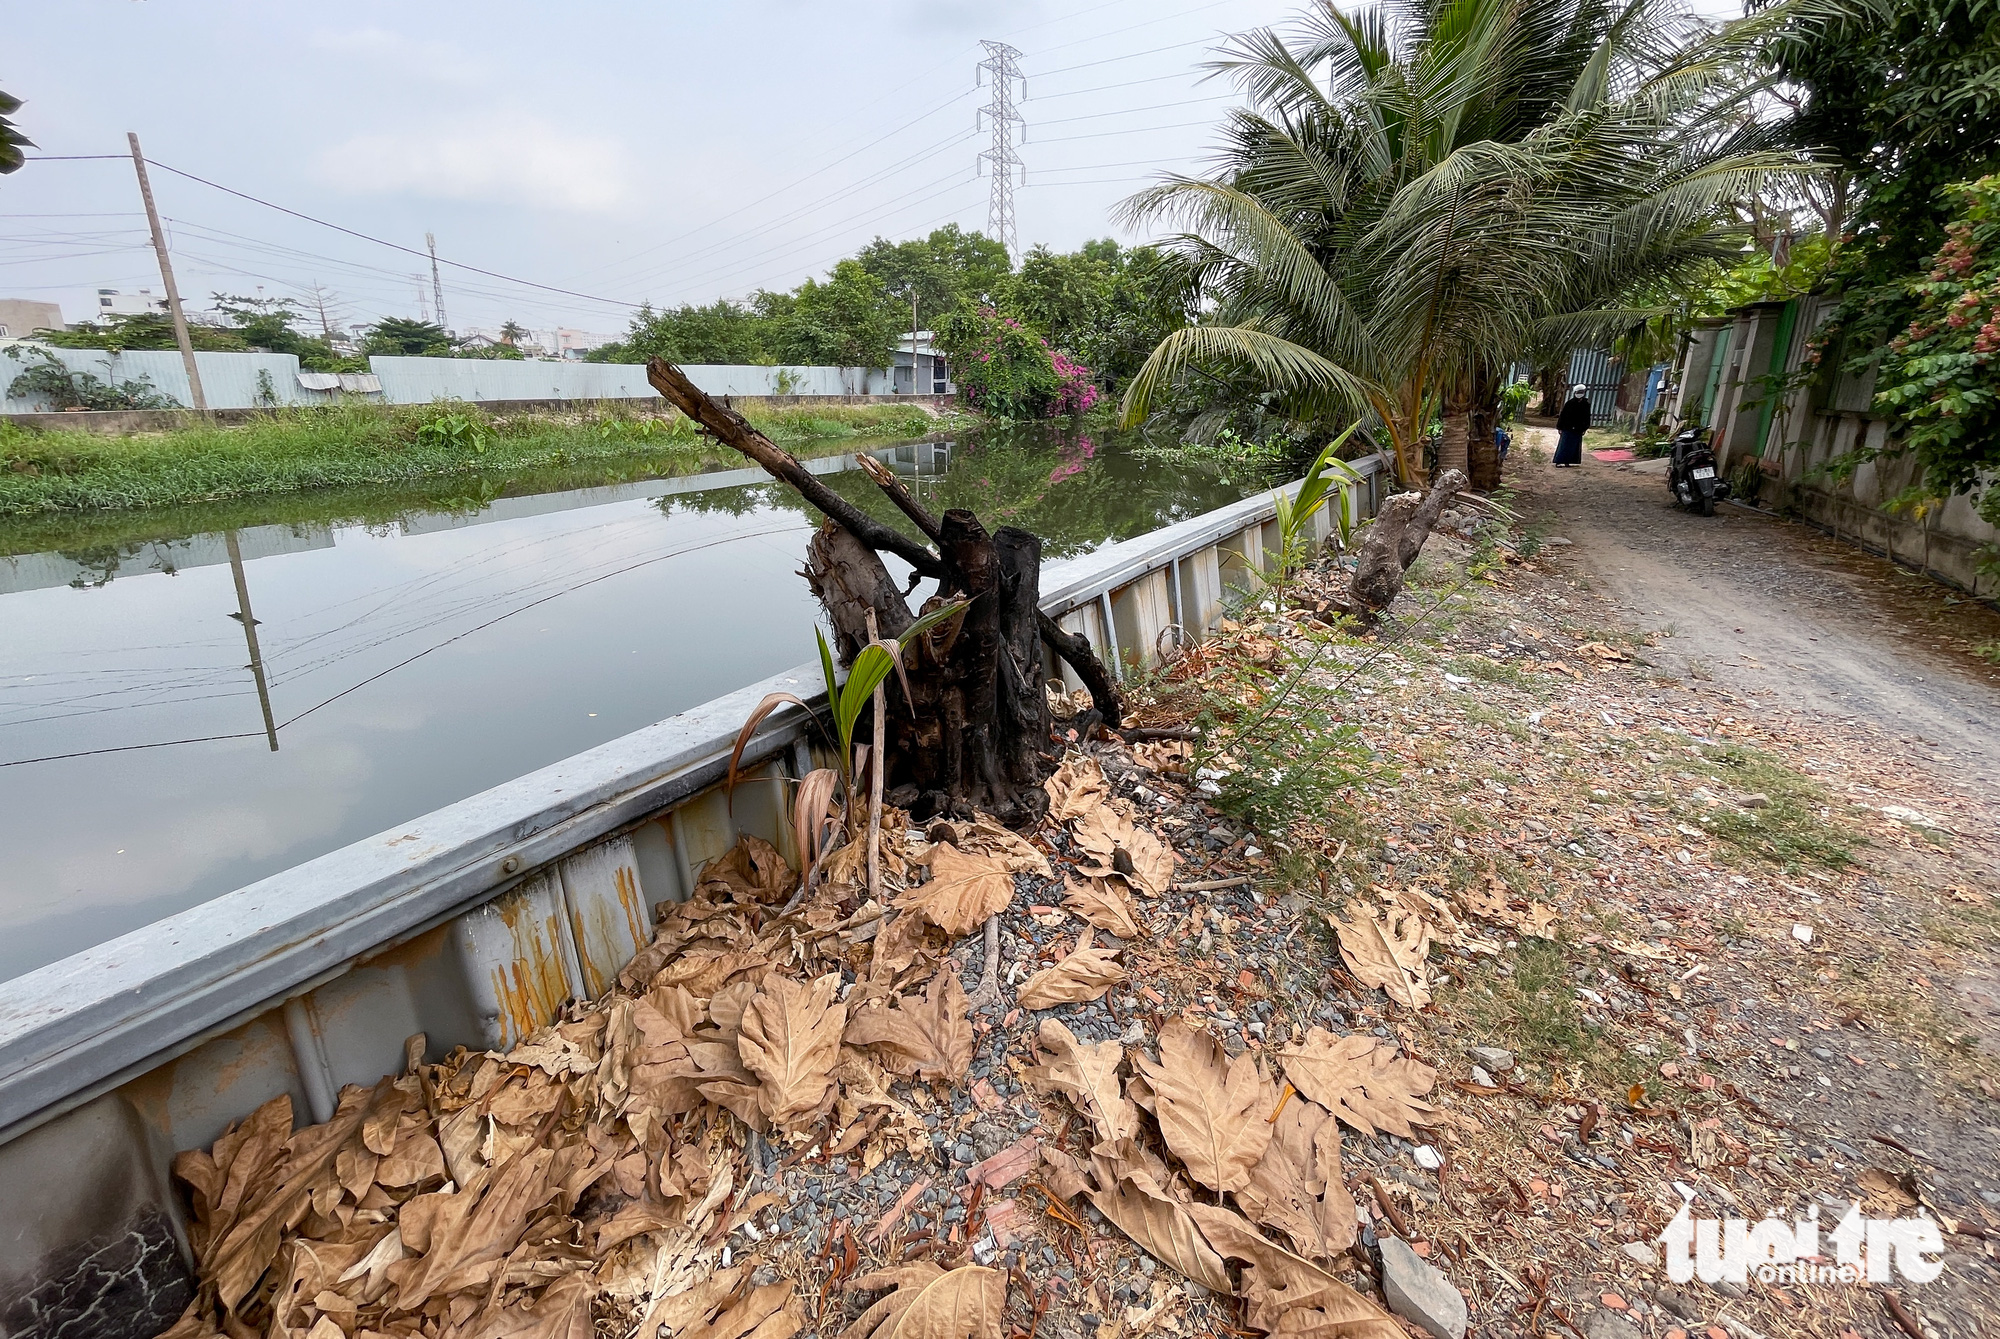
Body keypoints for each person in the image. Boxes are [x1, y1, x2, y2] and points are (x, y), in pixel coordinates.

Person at [1553, 385, 1591, 466]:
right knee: (1564, 445)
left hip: (1578, 428)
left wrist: (1584, 428)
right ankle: (1559, 461)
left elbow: (1587, 417)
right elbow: (1562, 416)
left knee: (1574, 446)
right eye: (1578, 392)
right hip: (1567, 428)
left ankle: (1568, 462)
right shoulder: (1569, 403)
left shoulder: (1586, 404)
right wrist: (1560, 427)